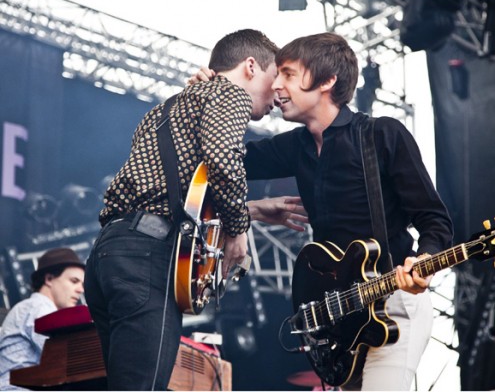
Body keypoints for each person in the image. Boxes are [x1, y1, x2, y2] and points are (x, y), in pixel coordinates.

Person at [191, 32, 453, 391]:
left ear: (327, 81)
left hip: (394, 305)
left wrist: (422, 262)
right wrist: (209, 97)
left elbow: (434, 220)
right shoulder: (295, 146)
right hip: (343, 315)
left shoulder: (382, 135)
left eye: (287, 73)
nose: (276, 85)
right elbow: (222, 159)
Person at [83, 29, 308, 391]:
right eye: (275, 75)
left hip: (110, 253)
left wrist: (250, 209)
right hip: (148, 258)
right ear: (251, 66)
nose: (278, 90)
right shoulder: (229, 94)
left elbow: (177, 197)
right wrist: (238, 232)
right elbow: (222, 160)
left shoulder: (167, 107)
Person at [0, 248, 85, 390]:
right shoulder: (37, 307)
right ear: (49, 279)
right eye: (74, 281)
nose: (80, 289)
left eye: (82, 284)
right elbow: (65, 358)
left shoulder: (35, 308)